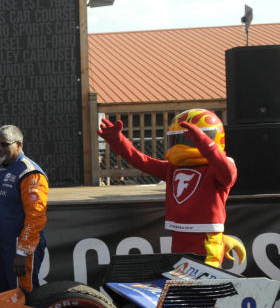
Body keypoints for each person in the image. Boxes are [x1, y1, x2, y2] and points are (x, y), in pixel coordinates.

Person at [98, 109, 244, 267]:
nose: (182, 145)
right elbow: (142, 161)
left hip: (205, 236)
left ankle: (220, 245)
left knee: (203, 279)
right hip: (178, 233)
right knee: (181, 278)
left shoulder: (221, 166)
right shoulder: (172, 168)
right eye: (178, 139)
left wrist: (205, 145)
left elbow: (228, 175)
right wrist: (118, 142)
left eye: (190, 139)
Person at [0, 125, 48, 293]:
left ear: (19, 145)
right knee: (5, 292)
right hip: (1, 244)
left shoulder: (30, 173)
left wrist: (22, 252)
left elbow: (36, 216)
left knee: (24, 293)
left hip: (20, 247)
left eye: (5, 144)